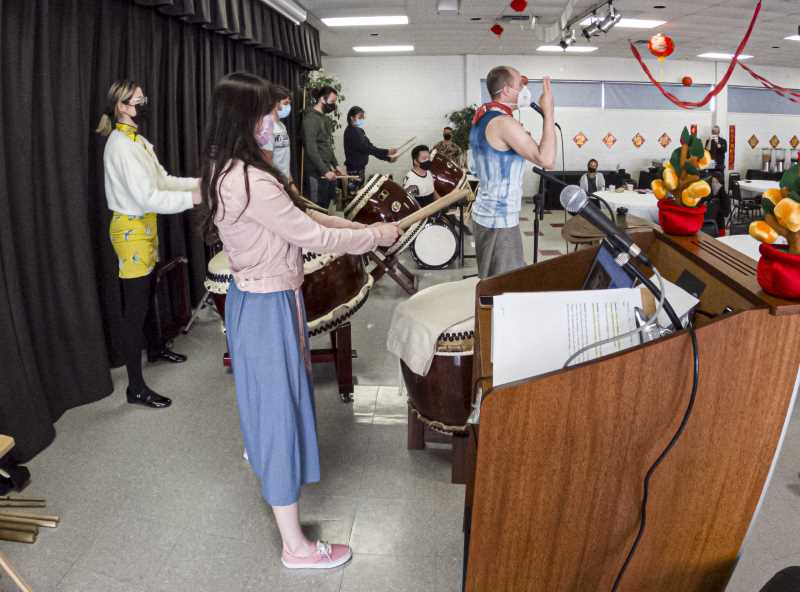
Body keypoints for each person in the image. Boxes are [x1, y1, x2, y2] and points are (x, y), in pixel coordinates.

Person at [200, 72, 401, 569]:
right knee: (278, 416)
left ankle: (270, 466)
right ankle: (296, 547)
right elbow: (312, 236)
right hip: (266, 306)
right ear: (245, 118)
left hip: (265, 301)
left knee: (274, 407)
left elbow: (310, 215)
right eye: (268, 113)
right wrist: (372, 238)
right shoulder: (251, 179)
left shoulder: (237, 168)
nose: (275, 121)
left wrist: (362, 226)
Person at [96, 80, 201, 409]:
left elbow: (163, 180)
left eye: (144, 98)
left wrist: (201, 184)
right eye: (139, 101)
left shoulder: (137, 140)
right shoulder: (120, 146)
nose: (144, 105)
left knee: (150, 291)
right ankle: (135, 387)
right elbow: (148, 196)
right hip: (131, 230)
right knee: (135, 308)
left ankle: (155, 348)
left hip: (145, 225)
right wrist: (196, 198)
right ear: (122, 107)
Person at [469, 66, 556, 278]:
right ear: (507, 91)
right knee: (503, 288)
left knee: (493, 281)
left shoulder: (484, 116)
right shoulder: (504, 123)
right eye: (520, 85)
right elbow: (547, 159)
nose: (525, 89)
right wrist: (549, 113)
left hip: (487, 213)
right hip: (499, 220)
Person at [302, 85, 339, 209]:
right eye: (332, 102)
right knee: (316, 207)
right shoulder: (311, 119)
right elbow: (311, 149)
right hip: (315, 171)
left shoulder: (324, 118)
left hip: (325, 169)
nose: (333, 105)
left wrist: (336, 164)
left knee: (325, 205)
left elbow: (327, 144)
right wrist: (325, 170)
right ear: (322, 99)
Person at [343, 106, 397, 193]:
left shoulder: (359, 131)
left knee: (358, 195)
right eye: (360, 117)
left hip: (360, 170)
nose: (362, 120)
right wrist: (387, 153)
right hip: (354, 172)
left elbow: (371, 147)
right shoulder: (352, 132)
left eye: (363, 118)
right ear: (352, 118)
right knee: (353, 198)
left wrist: (387, 156)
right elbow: (368, 149)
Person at [259, 84, 295, 189]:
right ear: (275, 102)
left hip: (285, 181)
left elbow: (284, 158)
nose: (288, 107)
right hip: (275, 183)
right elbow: (266, 161)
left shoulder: (281, 125)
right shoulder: (265, 126)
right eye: (286, 103)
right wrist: (279, 184)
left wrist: (291, 182)